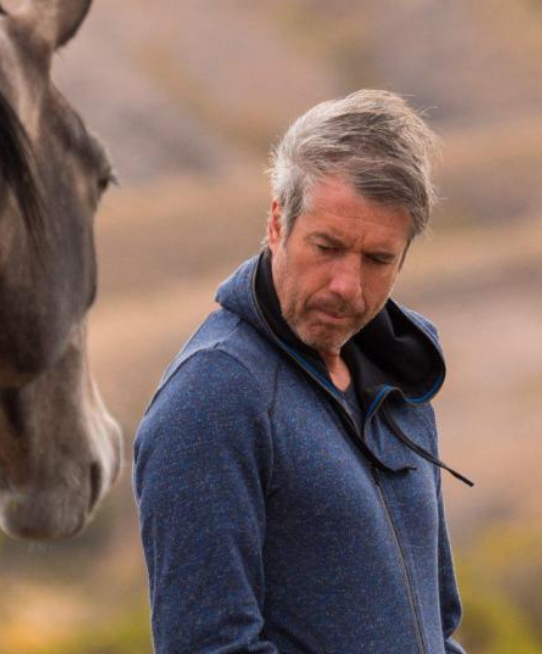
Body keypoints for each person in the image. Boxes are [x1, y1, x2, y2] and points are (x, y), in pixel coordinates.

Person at [133, 90, 471, 654]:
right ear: (276, 223)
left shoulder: (400, 377)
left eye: (377, 259)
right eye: (327, 246)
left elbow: (436, 628)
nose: (347, 285)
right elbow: (209, 648)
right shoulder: (213, 398)